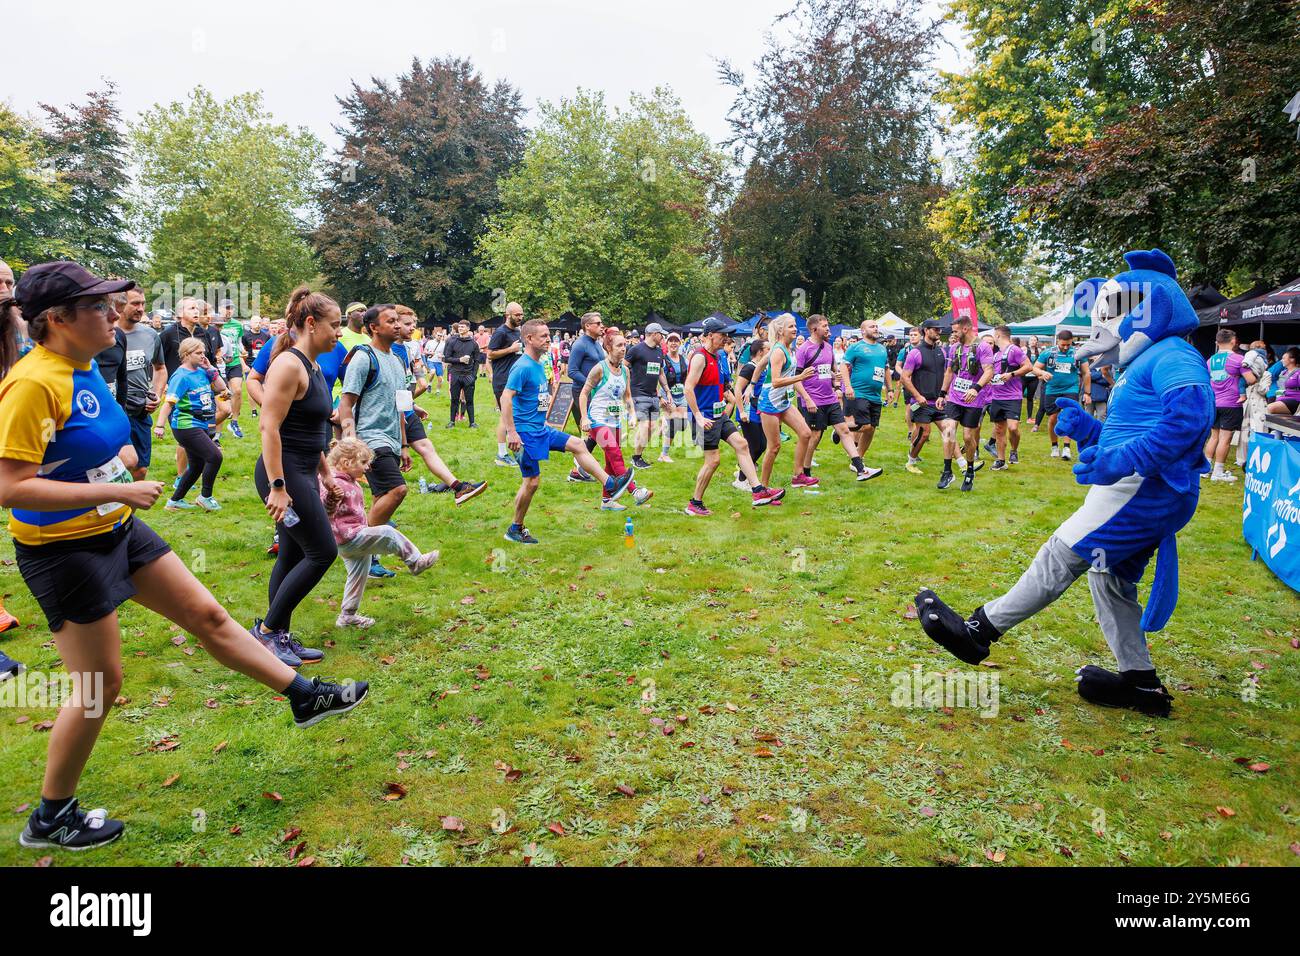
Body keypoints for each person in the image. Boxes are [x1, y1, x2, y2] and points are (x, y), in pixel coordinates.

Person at [0, 263, 366, 851]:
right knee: (98, 685)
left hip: (118, 528)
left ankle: (302, 695)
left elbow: (80, 444)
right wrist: (116, 487)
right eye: (97, 306)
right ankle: (51, 815)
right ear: (57, 319)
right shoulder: (35, 381)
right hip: (63, 550)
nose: (113, 314)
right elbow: (10, 485)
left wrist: (116, 461)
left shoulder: (83, 364)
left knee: (210, 617)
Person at [252, 286, 345, 666]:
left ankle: (280, 636)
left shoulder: (314, 365)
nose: (338, 333)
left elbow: (312, 432)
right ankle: (267, 634)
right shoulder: (289, 365)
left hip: (304, 469)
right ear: (311, 323)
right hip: (283, 473)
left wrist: (326, 475)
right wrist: (277, 487)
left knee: (291, 555)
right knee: (323, 551)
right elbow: (268, 428)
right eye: (334, 326)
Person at [500, 319, 635, 543]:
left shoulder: (538, 363)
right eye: (542, 336)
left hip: (540, 430)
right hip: (524, 434)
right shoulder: (522, 366)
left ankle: (610, 484)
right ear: (529, 339)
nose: (547, 339)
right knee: (532, 482)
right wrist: (512, 433)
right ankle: (515, 528)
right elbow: (506, 397)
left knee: (578, 444)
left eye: (547, 335)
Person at [322, 438, 440, 629]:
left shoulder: (350, 481)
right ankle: (415, 561)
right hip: (349, 537)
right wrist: (331, 499)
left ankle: (347, 616)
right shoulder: (332, 483)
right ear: (346, 463)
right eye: (363, 463)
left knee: (357, 576)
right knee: (387, 532)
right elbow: (324, 508)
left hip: (351, 539)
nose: (367, 467)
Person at [684, 317, 786, 516]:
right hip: (704, 418)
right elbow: (688, 388)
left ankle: (757, 491)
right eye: (722, 335)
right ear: (709, 335)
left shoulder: (719, 356)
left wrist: (739, 406)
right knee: (712, 461)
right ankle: (694, 503)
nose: (726, 338)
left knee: (742, 444)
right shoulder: (699, 357)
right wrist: (697, 416)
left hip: (718, 414)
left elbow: (725, 387)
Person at [392, 306, 486, 505]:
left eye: (414, 324)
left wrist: (413, 405)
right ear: (393, 323)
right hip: (391, 417)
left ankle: (459, 488)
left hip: (405, 411)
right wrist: (403, 444)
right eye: (408, 324)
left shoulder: (405, 348)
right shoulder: (388, 352)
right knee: (391, 481)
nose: (413, 328)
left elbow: (401, 388)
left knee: (427, 448)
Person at [338, 305, 411, 528]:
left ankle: (369, 558)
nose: (397, 325)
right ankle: (356, 538)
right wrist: (351, 440)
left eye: (397, 320)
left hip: (392, 440)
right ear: (374, 328)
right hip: (370, 440)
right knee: (398, 490)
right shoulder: (363, 357)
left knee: (381, 498)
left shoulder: (397, 360)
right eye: (390, 321)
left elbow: (400, 405)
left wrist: (404, 444)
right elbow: (346, 403)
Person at [578, 328, 654, 510]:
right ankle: (636, 492)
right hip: (597, 419)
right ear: (608, 348)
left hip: (615, 420)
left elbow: (627, 396)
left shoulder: (625, 370)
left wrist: (632, 414)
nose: (623, 348)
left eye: (625, 345)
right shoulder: (599, 369)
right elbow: (584, 393)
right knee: (616, 454)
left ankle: (607, 501)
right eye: (619, 345)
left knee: (611, 463)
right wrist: (584, 418)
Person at [793, 315, 871, 483]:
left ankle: (860, 468)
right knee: (814, 436)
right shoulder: (804, 350)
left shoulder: (828, 347)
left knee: (843, 430)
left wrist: (836, 386)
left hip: (830, 399)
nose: (829, 329)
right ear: (814, 329)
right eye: (825, 326)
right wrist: (807, 399)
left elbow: (832, 371)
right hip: (813, 401)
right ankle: (805, 473)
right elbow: (796, 379)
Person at [154, 338, 225, 511]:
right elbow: (169, 403)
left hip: (201, 423)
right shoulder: (180, 376)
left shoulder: (202, 370)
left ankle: (174, 501)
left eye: (203, 352)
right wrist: (160, 425)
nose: (203, 356)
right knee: (215, 456)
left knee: (196, 466)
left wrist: (210, 369)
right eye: (198, 353)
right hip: (186, 425)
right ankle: (205, 497)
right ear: (186, 355)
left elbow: (222, 388)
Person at [749, 314, 814, 489]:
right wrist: (800, 377)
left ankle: (798, 476)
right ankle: (762, 488)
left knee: (806, 433)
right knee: (774, 447)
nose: (795, 329)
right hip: (770, 403)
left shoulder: (786, 348)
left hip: (783, 401)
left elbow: (761, 364)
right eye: (791, 326)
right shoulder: (778, 350)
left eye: (795, 326)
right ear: (780, 330)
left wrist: (752, 384)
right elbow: (776, 381)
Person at [934, 316, 994, 492]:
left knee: (968, 437)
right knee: (949, 430)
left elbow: (989, 371)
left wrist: (976, 388)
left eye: (955, 331)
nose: (952, 334)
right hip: (954, 396)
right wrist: (942, 393)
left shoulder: (982, 347)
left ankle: (969, 471)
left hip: (973, 399)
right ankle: (947, 472)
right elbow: (949, 372)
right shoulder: (954, 348)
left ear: (966, 329)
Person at [113, 287, 166, 480]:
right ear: (119, 305)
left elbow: (160, 367)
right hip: (114, 408)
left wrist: (156, 393)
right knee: (116, 465)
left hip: (140, 410)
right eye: (135, 303)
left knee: (140, 469)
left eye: (143, 303)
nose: (141, 308)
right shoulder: (105, 335)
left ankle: (128, 509)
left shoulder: (150, 335)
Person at [839, 319, 889, 478]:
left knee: (871, 428)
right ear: (862, 331)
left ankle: (857, 461)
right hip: (859, 392)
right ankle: (841, 429)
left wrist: (890, 389)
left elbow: (886, 369)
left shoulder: (882, 349)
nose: (875, 328)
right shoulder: (856, 347)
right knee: (865, 426)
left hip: (876, 395)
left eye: (876, 326)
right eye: (871, 326)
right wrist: (847, 387)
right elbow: (843, 366)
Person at [1204, 328, 1254, 482]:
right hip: (1232, 404)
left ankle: (1205, 470)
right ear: (1233, 341)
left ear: (1216, 343)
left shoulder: (1209, 360)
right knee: (1225, 439)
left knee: (1214, 437)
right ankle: (1218, 472)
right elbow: (1251, 379)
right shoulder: (1239, 359)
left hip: (1214, 403)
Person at [1034, 330, 1091, 461]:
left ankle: (1066, 447)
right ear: (1058, 341)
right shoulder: (1048, 353)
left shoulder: (1078, 353)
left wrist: (1087, 393)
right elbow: (1035, 368)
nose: (1065, 347)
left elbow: (1086, 373)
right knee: (1053, 418)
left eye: (1068, 345)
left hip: (1071, 388)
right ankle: (1054, 446)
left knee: (1069, 417)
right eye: (1063, 345)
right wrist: (1042, 373)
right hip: (1052, 390)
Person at [898, 319, 946, 474]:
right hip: (922, 402)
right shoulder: (915, 352)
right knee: (924, 433)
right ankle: (911, 461)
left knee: (949, 430)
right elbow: (905, 377)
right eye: (935, 329)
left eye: (940, 329)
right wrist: (917, 396)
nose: (939, 332)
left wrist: (945, 394)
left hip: (939, 401)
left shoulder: (942, 351)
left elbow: (947, 374)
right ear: (926, 330)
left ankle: (962, 464)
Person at [982, 324, 1033, 470]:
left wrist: (1011, 374)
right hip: (997, 396)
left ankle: (1014, 450)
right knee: (999, 429)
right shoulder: (996, 355)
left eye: (994, 336)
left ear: (998, 335)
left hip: (1012, 396)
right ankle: (1000, 460)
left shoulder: (1014, 350)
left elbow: (1028, 366)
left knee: (1013, 427)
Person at [565, 311, 606, 481]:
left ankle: (579, 468)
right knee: (593, 431)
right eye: (597, 323)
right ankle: (578, 468)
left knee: (594, 433)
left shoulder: (597, 343)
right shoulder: (580, 344)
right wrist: (591, 383)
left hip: (595, 393)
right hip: (582, 392)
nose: (601, 325)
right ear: (587, 326)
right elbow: (572, 371)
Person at [626, 322, 672, 470]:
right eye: (661, 335)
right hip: (638, 393)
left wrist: (667, 390)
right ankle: (636, 458)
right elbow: (623, 366)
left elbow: (660, 373)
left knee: (652, 427)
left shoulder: (659, 352)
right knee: (645, 425)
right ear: (653, 334)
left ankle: (638, 456)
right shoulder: (636, 350)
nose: (663, 337)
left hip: (653, 394)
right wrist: (626, 386)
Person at [488, 302, 526, 466]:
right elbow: (490, 354)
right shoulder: (500, 332)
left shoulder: (517, 332)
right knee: (506, 416)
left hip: (515, 379)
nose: (520, 317)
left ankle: (517, 450)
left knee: (514, 416)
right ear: (507, 315)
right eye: (517, 315)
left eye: (521, 314)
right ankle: (501, 455)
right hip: (503, 379)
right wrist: (510, 349)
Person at [733, 338, 770, 490]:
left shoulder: (764, 368)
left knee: (762, 445)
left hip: (760, 410)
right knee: (755, 446)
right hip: (748, 412)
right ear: (760, 352)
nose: (771, 351)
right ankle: (741, 479)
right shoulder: (749, 367)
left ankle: (743, 470)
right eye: (768, 349)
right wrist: (741, 411)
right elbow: (737, 389)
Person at [217, 299, 247, 437]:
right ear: (220, 309)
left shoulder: (237, 325)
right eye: (226, 308)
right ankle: (218, 430)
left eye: (231, 308)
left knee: (237, 390)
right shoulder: (215, 323)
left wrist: (243, 350)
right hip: (220, 363)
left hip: (234, 361)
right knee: (223, 394)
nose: (229, 311)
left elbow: (238, 342)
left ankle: (234, 422)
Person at [659, 331, 690, 462]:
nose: (673, 343)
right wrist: (660, 397)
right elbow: (656, 378)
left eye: (676, 341)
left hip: (681, 395)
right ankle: (663, 454)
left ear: (680, 343)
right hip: (667, 395)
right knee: (674, 424)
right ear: (667, 343)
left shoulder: (684, 359)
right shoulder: (663, 360)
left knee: (682, 425)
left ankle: (663, 421)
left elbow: (688, 377)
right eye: (670, 341)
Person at [443, 321, 481, 428]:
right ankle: (452, 422)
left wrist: (473, 375)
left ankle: (472, 423)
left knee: (469, 400)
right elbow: (447, 358)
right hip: (455, 374)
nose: (460, 328)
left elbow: (477, 361)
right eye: (459, 327)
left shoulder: (473, 343)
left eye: (462, 327)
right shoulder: (452, 341)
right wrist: (459, 360)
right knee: (454, 399)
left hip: (468, 375)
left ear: (468, 329)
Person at [1265, 347, 1300, 416]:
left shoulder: (1298, 372)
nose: (1281, 360)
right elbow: (1269, 373)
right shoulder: (1283, 372)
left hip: (1295, 400)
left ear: (1292, 359)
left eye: (1284, 358)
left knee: (1270, 408)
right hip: (1282, 398)